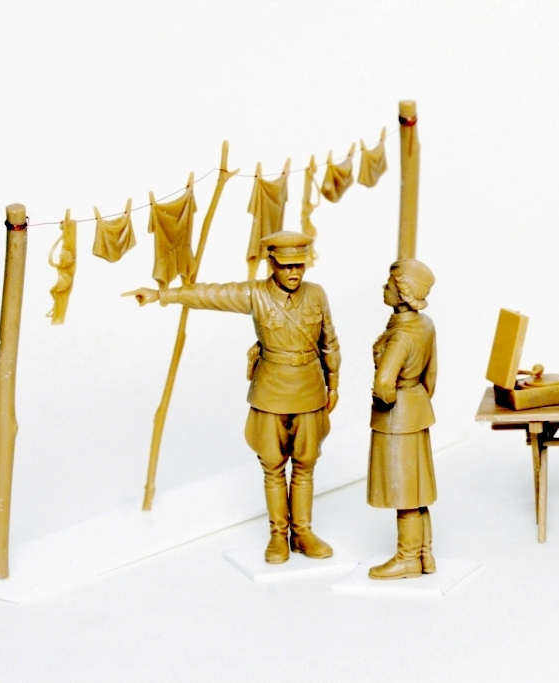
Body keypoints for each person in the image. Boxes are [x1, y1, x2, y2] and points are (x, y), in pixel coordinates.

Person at [126, 231, 341, 563]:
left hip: (310, 388)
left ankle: (302, 533)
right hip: (271, 391)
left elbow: (329, 340)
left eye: (299, 265)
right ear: (271, 263)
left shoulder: (316, 294)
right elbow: (212, 294)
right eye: (286, 266)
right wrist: (162, 294)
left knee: (305, 464)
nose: (294, 272)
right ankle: (277, 536)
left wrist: (334, 382)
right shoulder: (255, 294)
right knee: (273, 465)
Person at [366, 260, 438, 579]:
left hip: (397, 418)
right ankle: (424, 554)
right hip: (417, 410)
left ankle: (408, 558)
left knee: (405, 493)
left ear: (403, 293)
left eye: (390, 284)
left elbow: (384, 382)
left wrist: (387, 401)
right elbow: (431, 375)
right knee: (417, 489)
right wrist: (417, 400)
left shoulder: (401, 337)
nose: (384, 288)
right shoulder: (425, 325)